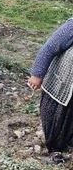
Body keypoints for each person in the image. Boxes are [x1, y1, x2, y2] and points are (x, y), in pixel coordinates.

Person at [27, 19, 73, 152]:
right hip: (61, 84)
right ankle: (54, 147)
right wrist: (37, 74)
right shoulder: (71, 26)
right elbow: (50, 47)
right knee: (53, 116)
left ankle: (67, 147)